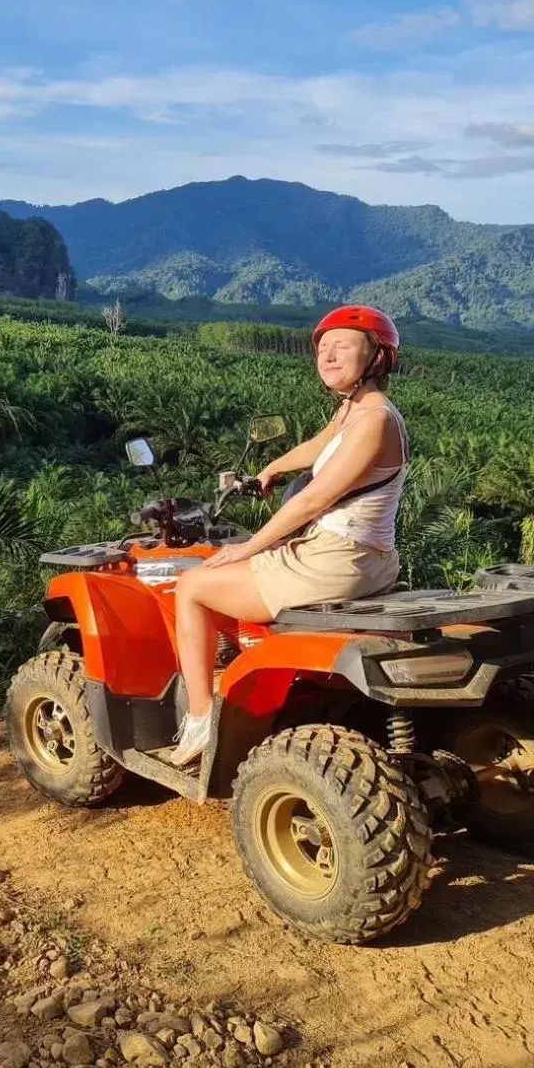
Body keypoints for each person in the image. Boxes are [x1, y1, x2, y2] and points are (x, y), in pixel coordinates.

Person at [168, 305, 409, 766]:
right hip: (360, 556)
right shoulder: (355, 410)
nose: (328, 355)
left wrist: (249, 545)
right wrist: (272, 468)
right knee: (244, 565)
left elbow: (312, 502)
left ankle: (201, 717)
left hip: (336, 558)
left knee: (193, 587)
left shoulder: (375, 420)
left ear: (378, 358)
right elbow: (320, 444)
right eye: (322, 347)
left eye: (343, 346)